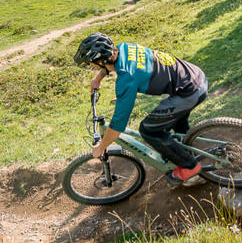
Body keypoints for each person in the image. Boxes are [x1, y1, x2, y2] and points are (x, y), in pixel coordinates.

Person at [74, 32, 208, 184]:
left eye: (91, 62)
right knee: (174, 121)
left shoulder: (127, 79)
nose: (90, 65)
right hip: (195, 76)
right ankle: (184, 149)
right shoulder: (124, 48)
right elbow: (109, 65)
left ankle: (190, 167)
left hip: (189, 92)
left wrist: (102, 146)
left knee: (148, 129)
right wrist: (97, 79)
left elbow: (118, 124)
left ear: (99, 61)